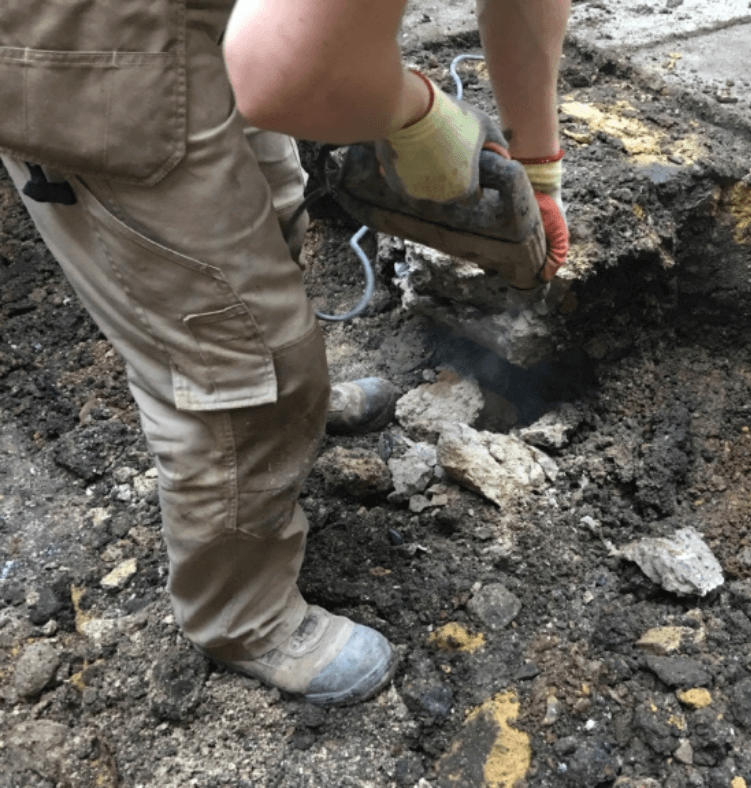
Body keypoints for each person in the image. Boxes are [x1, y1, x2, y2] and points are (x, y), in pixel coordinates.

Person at [0, 0, 570, 707]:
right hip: (88, 52)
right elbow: (287, 72)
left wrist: (540, 167)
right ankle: (242, 616)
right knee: (227, 354)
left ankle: (285, 404)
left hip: (190, 23)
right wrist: (421, 113)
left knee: (271, 217)